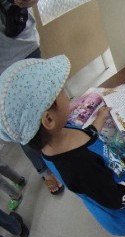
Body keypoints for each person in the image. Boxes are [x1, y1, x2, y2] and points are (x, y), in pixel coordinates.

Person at [0, 56, 125, 237]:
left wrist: (99, 121)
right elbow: (116, 198)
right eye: (61, 92)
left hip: (115, 186)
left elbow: (85, 136)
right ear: (48, 119)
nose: (67, 95)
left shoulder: (55, 137)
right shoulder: (78, 166)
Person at [0, 0, 63, 195]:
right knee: (23, 127)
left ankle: (62, 149)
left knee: (49, 105)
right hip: (2, 68)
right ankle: (44, 169)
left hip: (26, 46)